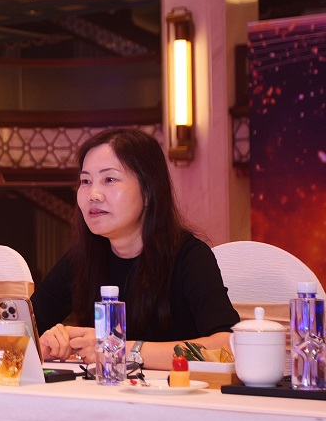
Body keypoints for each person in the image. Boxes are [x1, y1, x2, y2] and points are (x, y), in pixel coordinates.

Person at [31, 128, 240, 370]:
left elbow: (226, 347)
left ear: (148, 191)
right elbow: (23, 329)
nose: (93, 195)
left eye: (109, 180)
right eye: (86, 181)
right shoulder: (82, 258)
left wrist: (120, 349)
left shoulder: (189, 257)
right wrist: (44, 344)